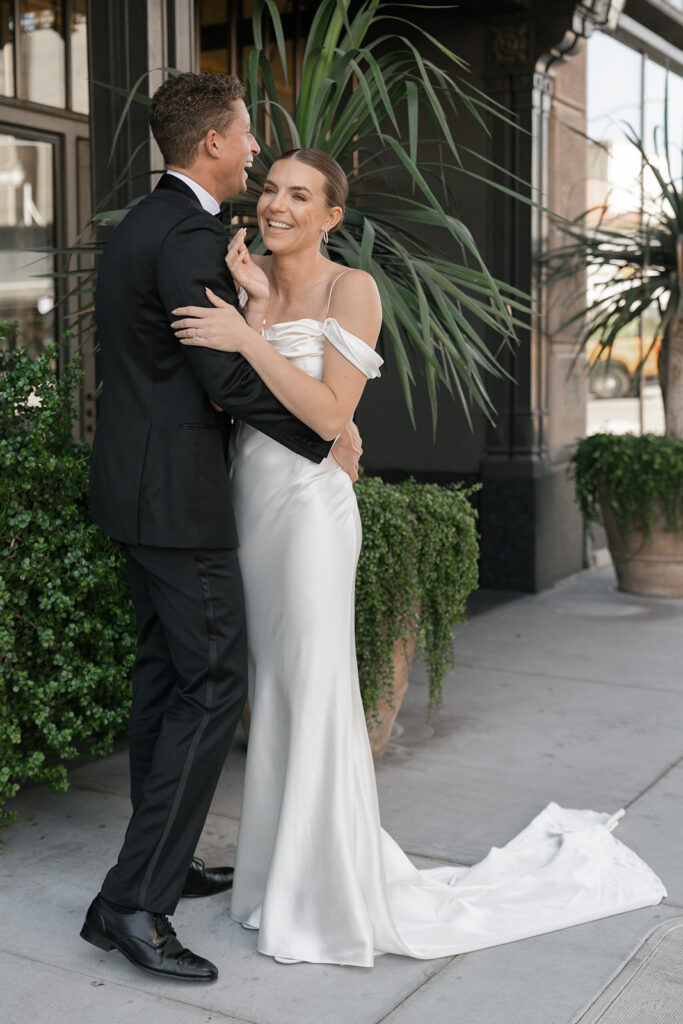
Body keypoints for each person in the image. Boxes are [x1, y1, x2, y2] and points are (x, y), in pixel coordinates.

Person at [172, 147, 667, 968]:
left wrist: (245, 337)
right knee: (275, 694)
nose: (275, 205)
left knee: (316, 690)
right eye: (269, 189)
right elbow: (233, 400)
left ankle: (322, 893)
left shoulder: (350, 289)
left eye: (299, 195)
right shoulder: (248, 277)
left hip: (308, 515)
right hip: (249, 504)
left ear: (332, 216)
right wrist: (253, 313)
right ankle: (274, 878)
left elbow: (330, 413)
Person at [81, 74, 360, 983]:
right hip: (182, 500)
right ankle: (134, 903)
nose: (253, 155)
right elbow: (221, 379)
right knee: (210, 685)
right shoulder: (194, 233)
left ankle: (158, 864)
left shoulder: (139, 225)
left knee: (168, 681)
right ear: (213, 144)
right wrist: (322, 437)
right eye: (246, 141)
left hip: (137, 489)